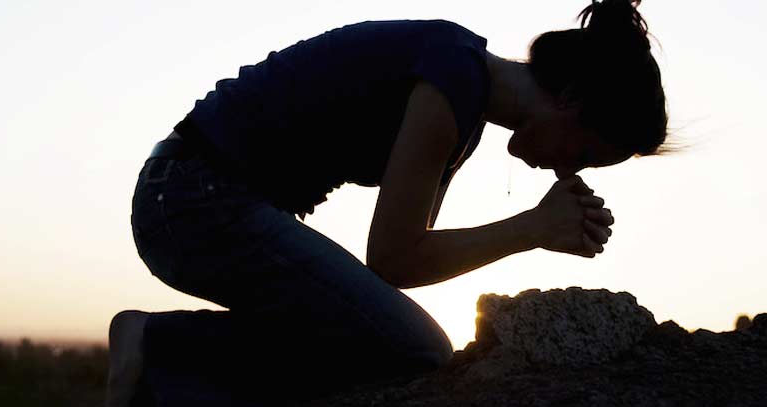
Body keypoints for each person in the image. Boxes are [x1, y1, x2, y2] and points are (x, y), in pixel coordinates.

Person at [107, 1, 672, 405]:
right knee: (418, 348)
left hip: (196, 200)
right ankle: (159, 347)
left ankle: (165, 369)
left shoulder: (462, 112)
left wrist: (535, 228)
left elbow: (407, 264)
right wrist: (532, 228)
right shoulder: (451, 75)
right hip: (194, 199)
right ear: (571, 100)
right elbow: (394, 260)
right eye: (591, 152)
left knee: (375, 333)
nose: (572, 168)